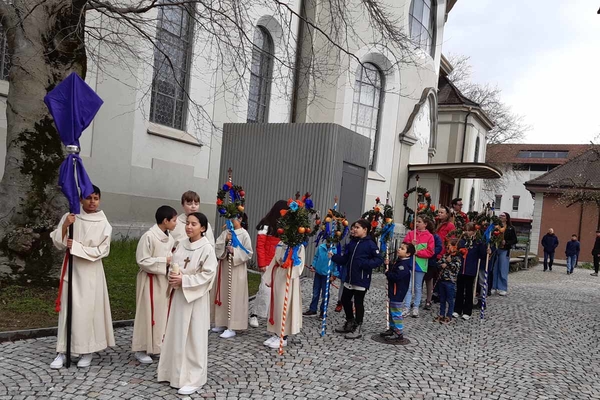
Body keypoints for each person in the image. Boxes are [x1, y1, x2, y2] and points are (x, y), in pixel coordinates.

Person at [49, 185, 114, 369]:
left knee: (87, 311)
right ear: (80, 200)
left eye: (95, 198)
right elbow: (58, 243)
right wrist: (65, 226)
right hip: (72, 269)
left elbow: (103, 250)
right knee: (68, 310)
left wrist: (77, 247)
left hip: (91, 272)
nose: (92, 202)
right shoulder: (71, 216)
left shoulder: (103, 223)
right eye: (88, 198)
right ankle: (63, 351)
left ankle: (87, 350)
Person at [157, 212, 217, 395]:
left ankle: (194, 378)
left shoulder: (207, 249)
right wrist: (173, 278)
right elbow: (174, 267)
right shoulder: (180, 245)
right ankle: (172, 373)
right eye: (188, 223)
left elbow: (208, 275)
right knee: (176, 334)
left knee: (193, 339)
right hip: (179, 298)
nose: (189, 227)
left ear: (203, 228)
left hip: (195, 299)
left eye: (194, 224)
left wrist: (185, 281)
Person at [131, 205, 178, 364]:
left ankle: (156, 347)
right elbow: (142, 260)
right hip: (149, 280)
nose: (176, 223)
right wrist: (164, 261)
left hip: (163, 280)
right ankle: (141, 348)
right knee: (147, 313)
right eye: (174, 220)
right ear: (165, 221)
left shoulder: (170, 238)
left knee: (160, 314)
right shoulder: (149, 237)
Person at [330, 219, 383, 339]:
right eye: (354, 227)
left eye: (357, 227)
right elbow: (345, 259)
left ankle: (358, 325)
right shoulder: (352, 243)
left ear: (365, 230)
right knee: (344, 299)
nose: (354, 229)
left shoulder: (370, 244)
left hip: (361, 278)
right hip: (350, 277)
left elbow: (378, 259)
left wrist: (364, 264)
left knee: (358, 302)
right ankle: (350, 321)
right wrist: (334, 257)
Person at [211, 215, 253, 338]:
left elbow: (248, 252)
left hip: (236, 269)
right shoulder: (226, 233)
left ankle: (232, 325)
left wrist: (235, 251)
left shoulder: (244, 234)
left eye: (233, 219)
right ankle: (221, 321)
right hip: (224, 267)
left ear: (240, 220)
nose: (229, 222)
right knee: (223, 294)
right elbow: (217, 246)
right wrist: (225, 242)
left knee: (233, 295)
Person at [250, 200, 288, 327]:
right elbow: (260, 245)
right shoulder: (265, 225)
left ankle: (271, 316)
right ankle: (255, 314)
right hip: (267, 263)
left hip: (279, 263)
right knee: (264, 290)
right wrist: (262, 263)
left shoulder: (285, 226)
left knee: (276, 292)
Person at [262, 242, 306, 349]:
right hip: (279, 274)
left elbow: (299, 264)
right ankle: (276, 332)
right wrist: (269, 277)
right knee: (276, 305)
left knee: (284, 306)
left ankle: (283, 336)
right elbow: (274, 259)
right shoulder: (281, 243)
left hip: (288, 277)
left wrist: (290, 265)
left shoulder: (298, 246)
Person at [380, 243, 414, 342]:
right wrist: (389, 264)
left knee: (396, 313)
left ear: (408, 254)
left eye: (402, 249)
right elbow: (394, 270)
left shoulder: (404, 265)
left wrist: (387, 273)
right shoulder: (399, 262)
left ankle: (399, 332)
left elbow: (396, 276)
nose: (399, 249)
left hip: (398, 292)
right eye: (399, 247)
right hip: (394, 290)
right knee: (391, 311)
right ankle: (392, 328)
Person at [453, 223, 487, 320]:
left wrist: (486, 250)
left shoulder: (477, 242)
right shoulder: (462, 241)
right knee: (459, 290)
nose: (467, 232)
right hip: (460, 269)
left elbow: (482, 255)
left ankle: (467, 310)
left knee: (468, 291)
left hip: (470, 270)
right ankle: (457, 309)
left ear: (474, 231)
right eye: (466, 230)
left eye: (470, 230)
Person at [402, 216, 435, 317]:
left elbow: (430, 251)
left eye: (419, 222)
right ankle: (406, 307)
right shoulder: (411, 234)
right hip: (409, 262)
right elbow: (403, 246)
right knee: (408, 285)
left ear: (425, 224)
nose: (417, 223)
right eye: (416, 222)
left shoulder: (429, 236)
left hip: (420, 264)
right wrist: (410, 245)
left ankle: (416, 306)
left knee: (417, 286)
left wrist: (418, 252)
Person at [303, 241, 337, 318]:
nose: (328, 242)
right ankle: (313, 309)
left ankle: (323, 311)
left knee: (325, 294)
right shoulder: (321, 247)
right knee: (315, 292)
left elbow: (336, 264)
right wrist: (313, 266)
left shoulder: (335, 250)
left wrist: (334, 275)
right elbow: (316, 257)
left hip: (327, 275)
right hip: (318, 273)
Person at [434, 240, 461, 324]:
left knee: (450, 299)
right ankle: (442, 314)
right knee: (442, 299)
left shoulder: (457, 258)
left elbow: (455, 267)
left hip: (450, 281)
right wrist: (442, 264)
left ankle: (449, 315)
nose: (447, 247)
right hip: (442, 280)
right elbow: (438, 263)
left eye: (449, 246)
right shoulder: (445, 255)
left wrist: (449, 263)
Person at [491, 212, 518, 296]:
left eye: (503, 216)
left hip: (505, 250)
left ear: (506, 218)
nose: (501, 217)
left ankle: (502, 287)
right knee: (494, 269)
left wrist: (506, 242)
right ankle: (494, 287)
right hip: (496, 249)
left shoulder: (510, 228)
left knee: (503, 269)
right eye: (500, 216)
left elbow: (515, 240)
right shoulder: (496, 226)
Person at [423, 220, 442, 310]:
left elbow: (439, 247)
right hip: (420, 260)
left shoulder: (435, 237)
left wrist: (431, 253)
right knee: (419, 282)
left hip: (430, 261)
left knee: (429, 281)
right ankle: (416, 300)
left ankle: (428, 300)